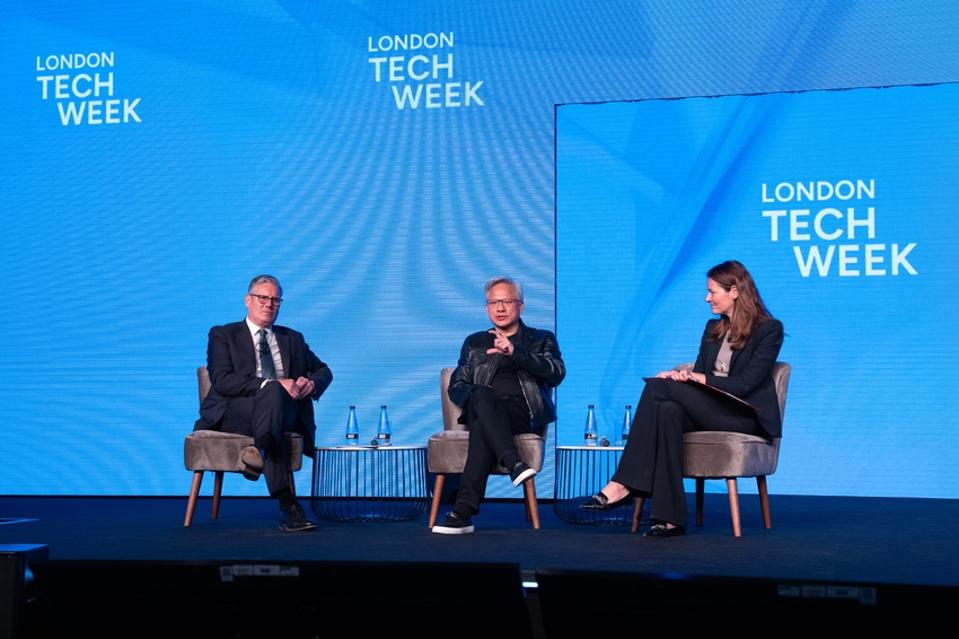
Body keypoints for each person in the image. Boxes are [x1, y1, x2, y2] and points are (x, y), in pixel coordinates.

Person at [581, 260, 783, 537]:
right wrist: (680, 375)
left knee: (656, 388)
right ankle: (670, 518)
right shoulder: (713, 328)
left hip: (744, 416)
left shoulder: (769, 330)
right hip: (712, 408)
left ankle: (624, 483)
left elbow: (747, 383)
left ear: (734, 291)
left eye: (712, 292)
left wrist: (699, 379)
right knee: (667, 409)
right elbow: (699, 373)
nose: (707, 297)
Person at [195, 275, 332, 532]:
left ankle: (261, 451)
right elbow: (223, 381)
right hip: (235, 411)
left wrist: (311, 384)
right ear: (248, 300)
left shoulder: (292, 338)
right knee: (272, 389)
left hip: (282, 411)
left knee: (275, 399)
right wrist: (271, 384)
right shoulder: (224, 334)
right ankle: (287, 503)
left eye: (275, 300)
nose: (269, 304)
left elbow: (324, 370)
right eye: (263, 298)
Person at [432, 277, 566, 534]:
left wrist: (516, 352)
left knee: (483, 424)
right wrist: (480, 399)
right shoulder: (475, 342)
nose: (500, 308)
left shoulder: (541, 339)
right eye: (494, 302)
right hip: (482, 407)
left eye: (506, 301)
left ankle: (463, 513)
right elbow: (457, 386)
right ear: (487, 308)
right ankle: (514, 463)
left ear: (521, 306)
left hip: (522, 413)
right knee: (482, 396)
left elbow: (556, 373)